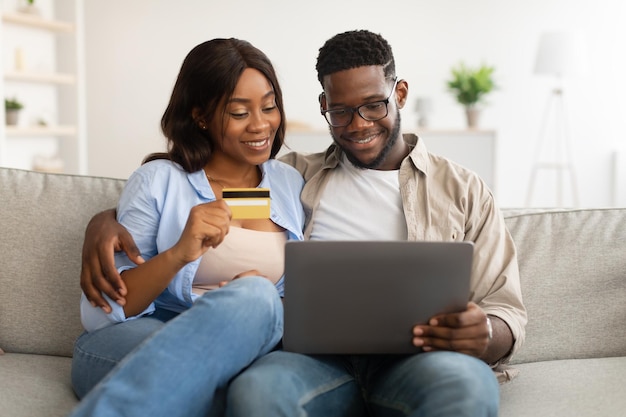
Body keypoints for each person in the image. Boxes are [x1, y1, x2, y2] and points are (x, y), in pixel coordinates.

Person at [81, 30, 527, 417]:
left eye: (374, 106)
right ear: (323, 107)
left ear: (401, 93)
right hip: (312, 358)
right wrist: (105, 220)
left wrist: (486, 332)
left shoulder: (463, 190)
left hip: (417, 358)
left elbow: (506, 308)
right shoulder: (296, 176)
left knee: (466, 387)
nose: (359, 125)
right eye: (341, 112)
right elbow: (209, 192)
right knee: (258, 390)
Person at [68, 38, 305, 417]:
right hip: (144, 337)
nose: (261, 125)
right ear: (200, 116)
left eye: (269, 106)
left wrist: (246, 301)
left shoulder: (290, 182)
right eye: (239, 112)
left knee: (256, 300)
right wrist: (179, 254)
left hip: (248, 339)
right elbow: (104, 311)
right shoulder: (158, 181)